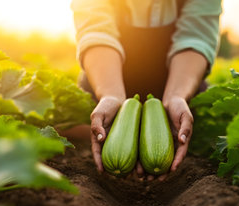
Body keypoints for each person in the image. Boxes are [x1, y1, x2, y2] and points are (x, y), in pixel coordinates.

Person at [71, 0, 222, 180]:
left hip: (178, 84)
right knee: (76, 130)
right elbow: (96, 31)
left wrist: (176, 96)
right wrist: (110, 94)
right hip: (106, 80)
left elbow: (196, 37)